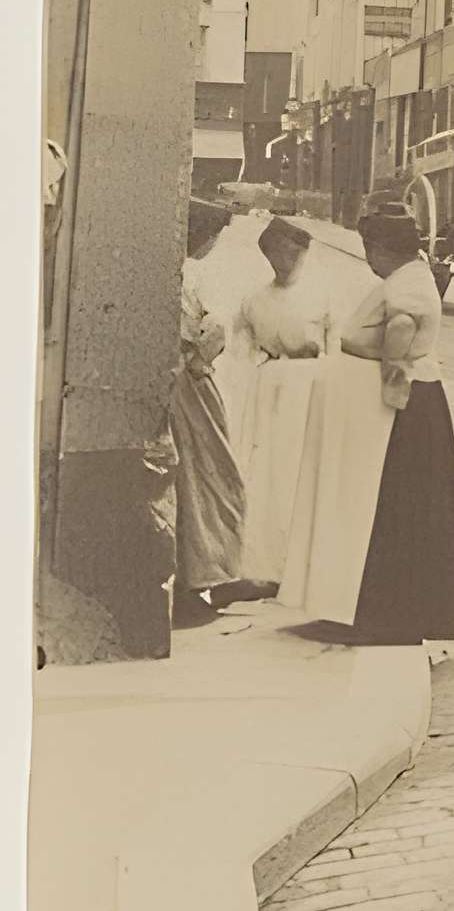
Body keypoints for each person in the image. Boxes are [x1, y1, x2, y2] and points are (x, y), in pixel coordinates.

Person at [280, 205, 454, 649]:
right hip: (408, 408)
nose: (368, 258)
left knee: (391, 511)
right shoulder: (410, 277)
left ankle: (389, 618)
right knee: (391, 511)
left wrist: (389, 377)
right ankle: (374, 611)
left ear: (382, 248)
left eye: (370, 249)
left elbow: (400, 328)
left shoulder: (407, 284)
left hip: (402, 413)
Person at [229, 216, 331, 593]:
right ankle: (266, 564)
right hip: (269, 387)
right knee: (269, 473)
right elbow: (239, 352)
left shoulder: (321, 297)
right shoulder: (254, 301)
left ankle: (307, 564)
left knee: (304, 470)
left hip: (310, 386)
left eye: (293, 253)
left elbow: (337, 351)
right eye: (277, 254)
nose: (285, 261)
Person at [173, 198, 249, 629]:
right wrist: (202, 359)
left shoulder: (173, 271)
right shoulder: (196, 274)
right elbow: (212, 329)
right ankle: (204, 577)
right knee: (213, 476)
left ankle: (209, 575)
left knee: (193, 478)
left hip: (175, 381)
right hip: (192, 384)